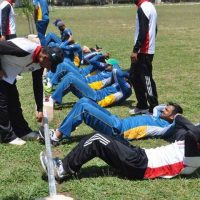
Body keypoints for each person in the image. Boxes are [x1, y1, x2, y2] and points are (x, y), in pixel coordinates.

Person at [40, 114, 200, 182]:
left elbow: (192, 132)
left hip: (141, 166)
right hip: (142, 156)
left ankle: (62, 169)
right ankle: (64, 166)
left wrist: (178, 116)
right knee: (112, 135)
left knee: (97, 139)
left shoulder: (195, 156)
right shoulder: (192, 147)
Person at [0, 37, 64, 145]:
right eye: (50, 65)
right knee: (2, 104)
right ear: (45, 57)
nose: (48, 68)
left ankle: (23, 131)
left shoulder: (40, 62)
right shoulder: (25, 49)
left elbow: (37, 84)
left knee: (14, 102)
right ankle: (7, 137)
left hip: (8, 75)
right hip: (2, 70)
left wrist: (40, 108)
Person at [39, 97, 182, 144]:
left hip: (118, 130)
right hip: (116, 120)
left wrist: (177, 117)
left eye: (167, 110)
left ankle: (56, 136)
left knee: (84, 108)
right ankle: (61, 130)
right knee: (84, 100)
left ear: (172, 117)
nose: (164, 110)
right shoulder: (158, 115)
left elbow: (179, 124)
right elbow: (157, 107)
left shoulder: (164, 128)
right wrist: (170, 108)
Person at [129, 0, 158, 115]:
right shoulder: (149, 6)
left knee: (146, 80)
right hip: (144, 48)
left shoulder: (144, 7)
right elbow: (155, 29)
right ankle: (142, 105)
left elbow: (143, 31)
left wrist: (136, 49)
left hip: (143, 51)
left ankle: (153, 108)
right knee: (134, 76)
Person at [50, 68, 132, 108]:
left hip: (96, 100)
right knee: (70, 76)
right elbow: (115, 71)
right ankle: (55, 98)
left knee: (71, 79)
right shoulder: (119, 84)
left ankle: (52, 100)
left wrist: (129, 75)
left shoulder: (127, 90)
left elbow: (116, 71)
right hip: (95, 94)